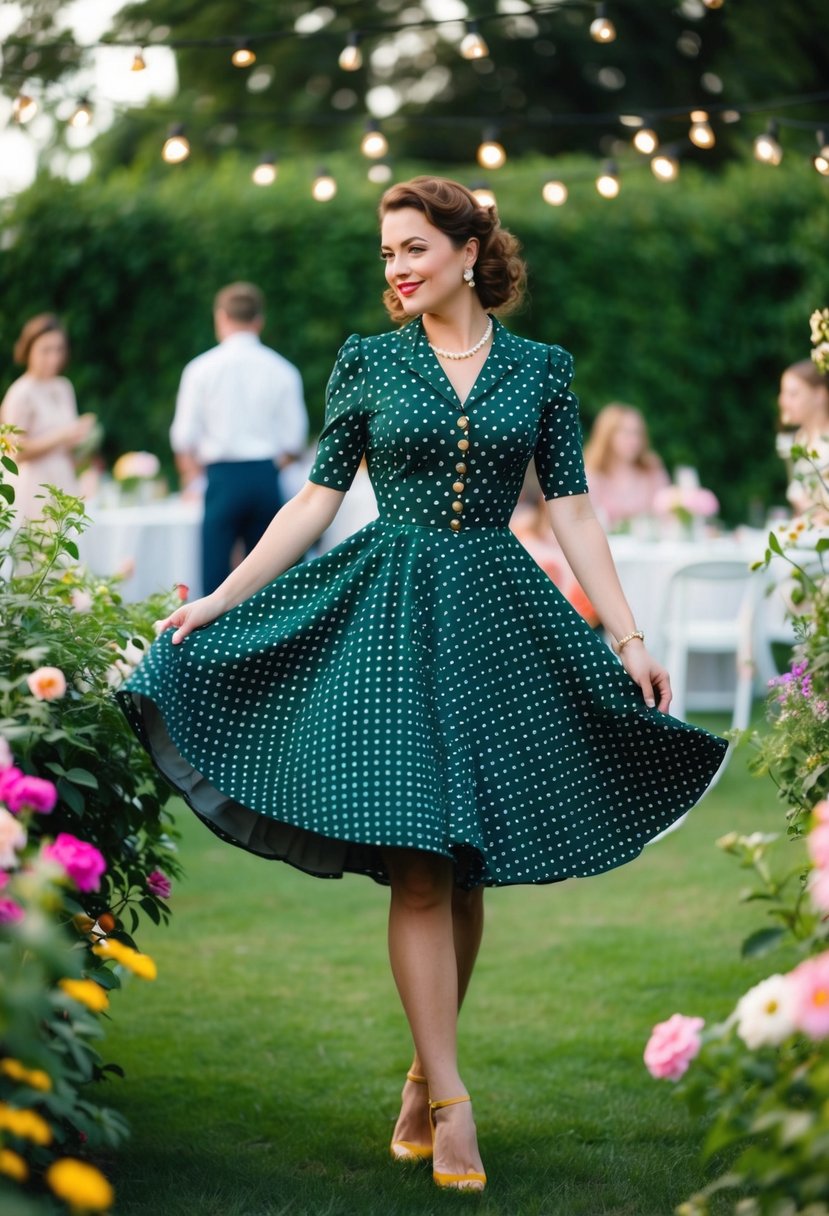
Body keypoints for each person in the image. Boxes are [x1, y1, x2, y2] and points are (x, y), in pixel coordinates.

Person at [119, 177, 727, 1193]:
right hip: (388, 622)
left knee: (462, 865)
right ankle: (452, 1101)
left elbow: (573, 510)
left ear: (465, 251)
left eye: (412, 248)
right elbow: (313, 501)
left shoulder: (541, 369)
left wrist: (626, 634)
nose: (396, 268)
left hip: (494, 621)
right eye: (386, 253)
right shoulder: (367, 360)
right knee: (417, 868)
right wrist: (219, 597)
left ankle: (419, 1073)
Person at [170, 282, 309, 594]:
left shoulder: (200, 369)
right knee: (268, 577)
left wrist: (192, 477)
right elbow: (294, 441)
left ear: (221, 317)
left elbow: (183, 438)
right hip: (265, 476)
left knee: (215, 577)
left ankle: (213, 627)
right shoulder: (283, 370)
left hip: (220, 478)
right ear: (259, 320)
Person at [0, 314, 96, 521]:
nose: (54, 358)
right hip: (34, 488)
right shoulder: (20, 392)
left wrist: (83, 442)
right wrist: (62, 435)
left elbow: (69, 448)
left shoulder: (64, 387)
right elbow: (13, 452)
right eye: (46, 350)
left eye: (58, 349)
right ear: (29, 349)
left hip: (64, 482)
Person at [583, 403, 669, 529]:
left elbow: (666, 511)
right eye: (626, 433)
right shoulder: (592, 474)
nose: (634, 440)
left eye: (637, 433)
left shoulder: (651, 469)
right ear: (607, 435)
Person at [777, 359, 829, 524]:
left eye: (793, 394)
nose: (783, 401)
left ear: (820, 395)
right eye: (783, 394)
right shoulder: (798, 440)